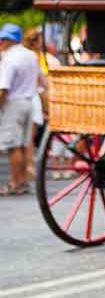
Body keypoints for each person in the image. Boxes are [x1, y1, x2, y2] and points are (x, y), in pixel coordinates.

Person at [0, 24, 44, 195]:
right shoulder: (31, 56)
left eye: (3, 39)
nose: (1, 42)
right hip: (29, 101)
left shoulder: (10, 58)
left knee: (14, 146)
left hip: (14, 102)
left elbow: (4, 87)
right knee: (25, 144)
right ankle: (23, 181)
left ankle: (15, 182)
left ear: (11, 40)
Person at [21, 28, 57, 181]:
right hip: (33, 96)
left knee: (26, 136)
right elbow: (42, 81)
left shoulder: (31, 56)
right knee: (29, 135)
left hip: (26, 96)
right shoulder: (34, 57)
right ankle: (29, 166)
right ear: (35, 41)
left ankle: (26, 166)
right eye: (40, 40)